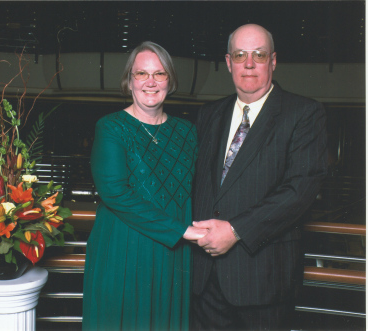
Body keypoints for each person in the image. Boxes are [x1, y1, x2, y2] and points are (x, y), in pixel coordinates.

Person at [190, 24, 328, 330]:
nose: (249, 63)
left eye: (259, 54)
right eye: (240, 55)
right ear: (228, 62)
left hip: (263, 282)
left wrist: (236, 230)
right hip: (203, 283)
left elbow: (300, 190)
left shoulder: (304, 113)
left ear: (273, 61)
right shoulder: (209, 114)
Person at [82, 41, 206, 331]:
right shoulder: (111, 127)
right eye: (141, 74)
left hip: (173, 256)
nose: (150, 82)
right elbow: (115, 193)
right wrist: (183, 230)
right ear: (129, 81)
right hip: (123, 250)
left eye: (160, 74)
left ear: (170, 81)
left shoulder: (187, 131)